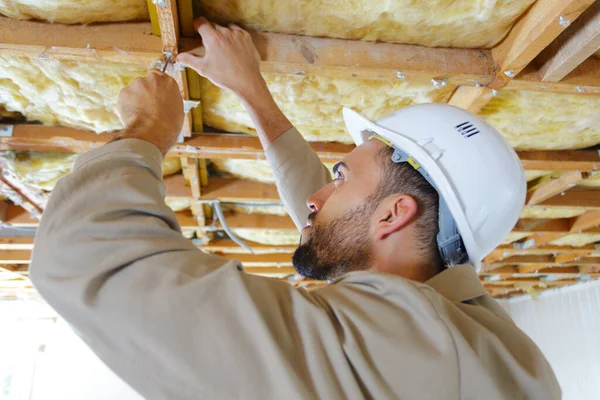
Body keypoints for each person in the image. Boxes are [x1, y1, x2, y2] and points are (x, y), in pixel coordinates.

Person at [30, 17, 561, 400]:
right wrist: (253, 93)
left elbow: (85, 257)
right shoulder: (483, 343)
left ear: (395, 215)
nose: (315, 198)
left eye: (340, 177)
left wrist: (145, 132)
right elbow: (338, 223)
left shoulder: (406, 349)